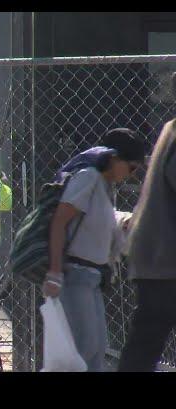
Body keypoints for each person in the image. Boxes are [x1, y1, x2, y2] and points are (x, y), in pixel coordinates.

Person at [42, 128, 146, 372]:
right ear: (113, 158)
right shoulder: (88, 177)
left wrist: (124, 223)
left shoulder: (105, 186)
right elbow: (60, 221)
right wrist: (55, 272)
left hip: (92, 277)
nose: (131, 175)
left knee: (96, 351)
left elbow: (100, 226)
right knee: (85, 350)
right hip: (75, 273)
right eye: (131, 168)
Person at [117, 120, 176, 371]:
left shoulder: (171, 128)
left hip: (155, 254)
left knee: (145, 340)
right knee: (145, 341)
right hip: (164, 257)